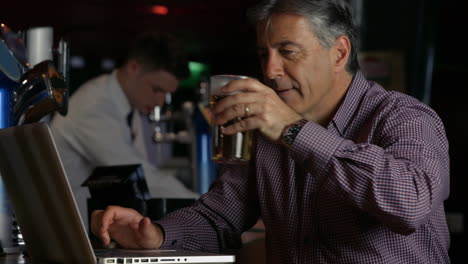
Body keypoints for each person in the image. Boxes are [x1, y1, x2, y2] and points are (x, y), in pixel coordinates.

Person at [91, 0, 451, 263]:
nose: (271, 69)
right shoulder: (267, 134)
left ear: (339, 53)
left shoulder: (404, 117)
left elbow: (410, 203)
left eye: (287, 52)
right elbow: (220, 217)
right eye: (264, 53)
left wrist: (291, 129)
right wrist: (155, 234)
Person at [50, 32, 198, 229]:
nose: (160, 102)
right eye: (157, 89)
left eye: (167, 94)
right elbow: (140, 176)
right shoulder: (94, 107)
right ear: (133, 67)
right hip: (65, 230)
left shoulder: (129, 105)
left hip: (92, 227)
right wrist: (203, 205)